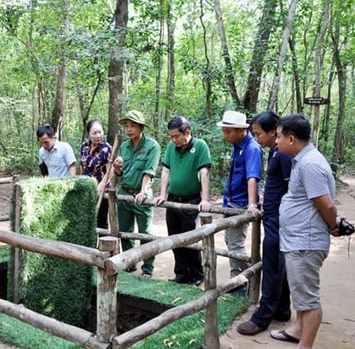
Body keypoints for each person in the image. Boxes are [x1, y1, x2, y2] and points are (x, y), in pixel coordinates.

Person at [269, 114, 341, 348]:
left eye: (278, 136)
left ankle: (305, 345)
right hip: (298, 239)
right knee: (300, 292)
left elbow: (326, 204)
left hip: (306, 241)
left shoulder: (310, 164)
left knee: (308, 298)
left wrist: (333, 227)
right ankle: (298, 329)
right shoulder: (302, 159)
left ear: (291, 139)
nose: (275, 140)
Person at [237, 111, 292, 335]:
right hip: (272, 217)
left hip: (280, 220)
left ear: (273, 132)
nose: (256, 138)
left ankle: (263, 317)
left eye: (259, 134)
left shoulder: (284, 155)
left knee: (273, 266)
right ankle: (282, 309)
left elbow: (292, 190)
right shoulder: (275, 152)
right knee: (280, 266)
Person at [154, 116, 211, 286]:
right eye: (171, 136)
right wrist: (162, 194)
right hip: (173, 200)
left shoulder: (200, 145)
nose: (173, 140)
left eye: (176, 136)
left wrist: (205, 199)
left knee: (190, 239)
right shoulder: (172, 147)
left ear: (187, 132)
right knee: (174, 238)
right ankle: (180, 273)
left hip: (191, 201)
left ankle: (196, 274)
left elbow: (204, 172)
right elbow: (165, 170)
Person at [216, 110, 263, 295]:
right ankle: (239, 279)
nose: (225, 135)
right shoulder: (237, 146)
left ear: (240, 130)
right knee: (230, 241)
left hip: (241, 203)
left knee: (236, 244)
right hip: (231, 200)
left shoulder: (251, 148)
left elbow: (253, 177)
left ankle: (240, 283)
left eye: (228, 131)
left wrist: (251, 204)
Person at [112, 110, 160, 278]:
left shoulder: (152, 146)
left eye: (133, 126)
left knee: (145, 232)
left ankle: (147, 268)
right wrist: (117, 168)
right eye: (127, 126)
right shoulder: (124, 146)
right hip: (125, 193)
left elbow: (149, 172)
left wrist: (143, 191)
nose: (129, 129)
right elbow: (119, 174)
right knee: (125, 231)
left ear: (141, 127)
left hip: (142, 194)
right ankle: (129, 263)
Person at [80, 119, 112, 229]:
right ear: (88, 135)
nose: (98, 135)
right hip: (87, 187)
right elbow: (82, 166)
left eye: (100, 132)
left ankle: (104, 245)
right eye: (94, 133)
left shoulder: (106, 148)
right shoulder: (84, 147)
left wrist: (102, 185)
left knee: (101, 220)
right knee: (88, 219)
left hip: (101, 188)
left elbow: (110, 170)